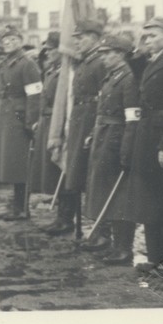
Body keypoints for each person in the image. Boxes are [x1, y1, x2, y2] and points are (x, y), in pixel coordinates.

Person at [121, 16, 163, 277]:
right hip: (147, 135)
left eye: (153, 35)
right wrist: (140, 46)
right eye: (145, 35)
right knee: (150, 200)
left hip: (162, 137)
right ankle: (157, 258)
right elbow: (138, 69)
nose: (147, 39)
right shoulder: (155, 60)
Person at [43, 19, 106, 236]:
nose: (76, 42)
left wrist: (94, 128)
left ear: (96, 38)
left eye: (82, 38)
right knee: (74, 171)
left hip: (90, 121)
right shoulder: (84, 62)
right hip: (77, 120)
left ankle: (100, 231)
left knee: (93, 176)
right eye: (76, 38)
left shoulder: (99, 62)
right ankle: (68, 219)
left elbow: (103, 98)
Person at [83, 34, 140, 264]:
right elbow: (102, 110)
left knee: (121, 195)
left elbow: (132, 118)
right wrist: (92, 134)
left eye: (107, 54)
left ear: (121, 54)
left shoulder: (128, 79)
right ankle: (112, 242)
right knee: (107, 191)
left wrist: (126, 150)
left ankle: (124, 248)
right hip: (104, 136)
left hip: (117, 140)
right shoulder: (112, 76)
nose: (103, 58)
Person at [0, 25, 42, 220]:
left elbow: (35, 95)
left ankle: (23, 209)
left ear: (20, 41)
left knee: (21, 163)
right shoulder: (8, 63)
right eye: (5, 41)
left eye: (12, 39)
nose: (8, 43)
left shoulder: (26, 64)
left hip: (19, 116)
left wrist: (30, 122)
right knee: (13, 163)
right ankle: (17, 206)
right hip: (8, 115)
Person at [29, 32, 63, 197]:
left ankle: (65, 218)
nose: (47, 53)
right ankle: (59, 215)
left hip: (56, 123)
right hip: (46, 122)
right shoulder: (51, 71)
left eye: (51, 49)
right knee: (48, 170)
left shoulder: (65, 73)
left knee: (56, 169)